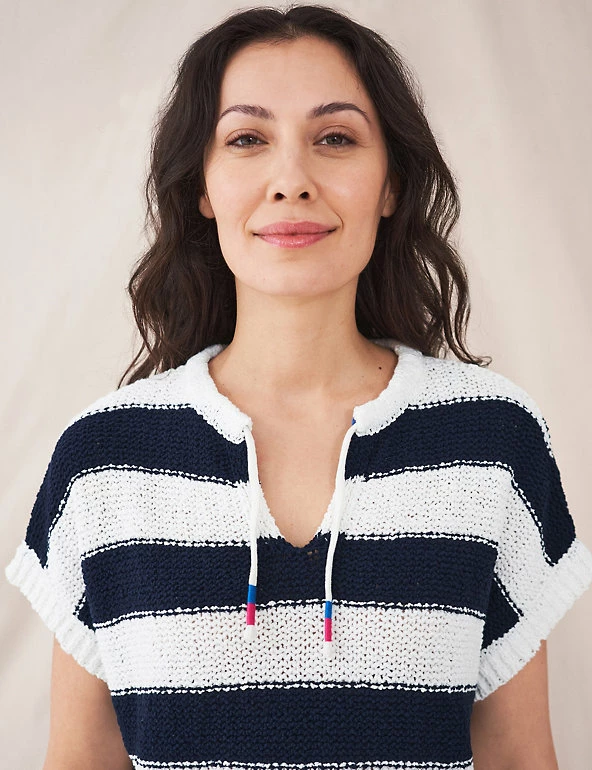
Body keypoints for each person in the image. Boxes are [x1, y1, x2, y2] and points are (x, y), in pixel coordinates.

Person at [6, 5, 592, 769]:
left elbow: (519, 757)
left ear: (390, 184)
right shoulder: (102, 461)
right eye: (247, 139)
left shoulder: (493, 443)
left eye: (336, 138)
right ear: (203, 187)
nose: (291, 181)